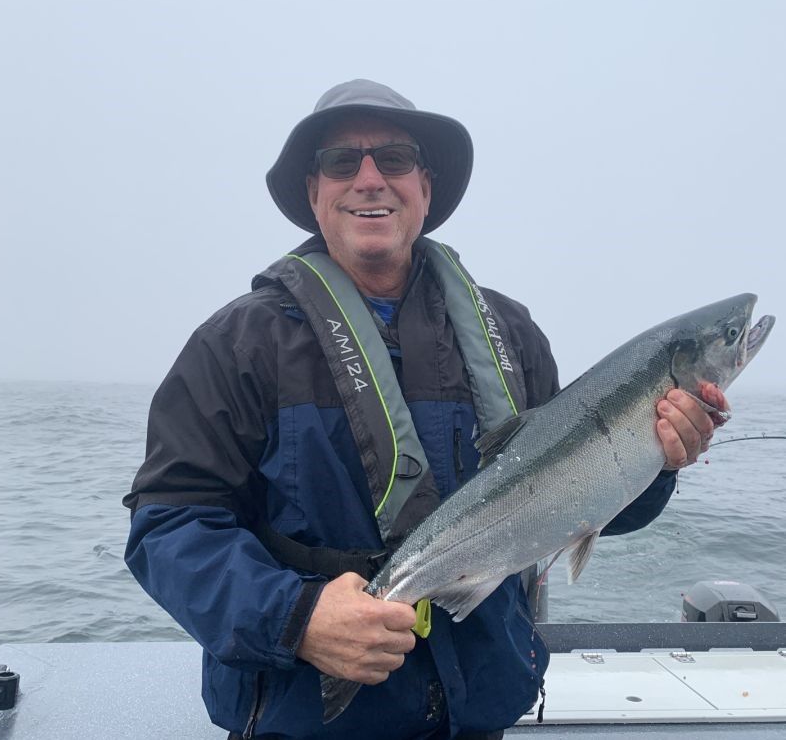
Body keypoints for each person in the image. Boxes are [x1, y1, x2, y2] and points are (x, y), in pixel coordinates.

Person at [124, 79, 723, 740]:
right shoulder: (236, 345)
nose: (370, 178)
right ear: (312, 193)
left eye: (396, 157)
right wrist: (296, 616)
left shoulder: (511, 334)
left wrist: (658, 459)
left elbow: (576, 507)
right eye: (341, 161)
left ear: (426, 187)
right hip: (307, 723)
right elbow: (170, 526)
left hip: (480, 715)